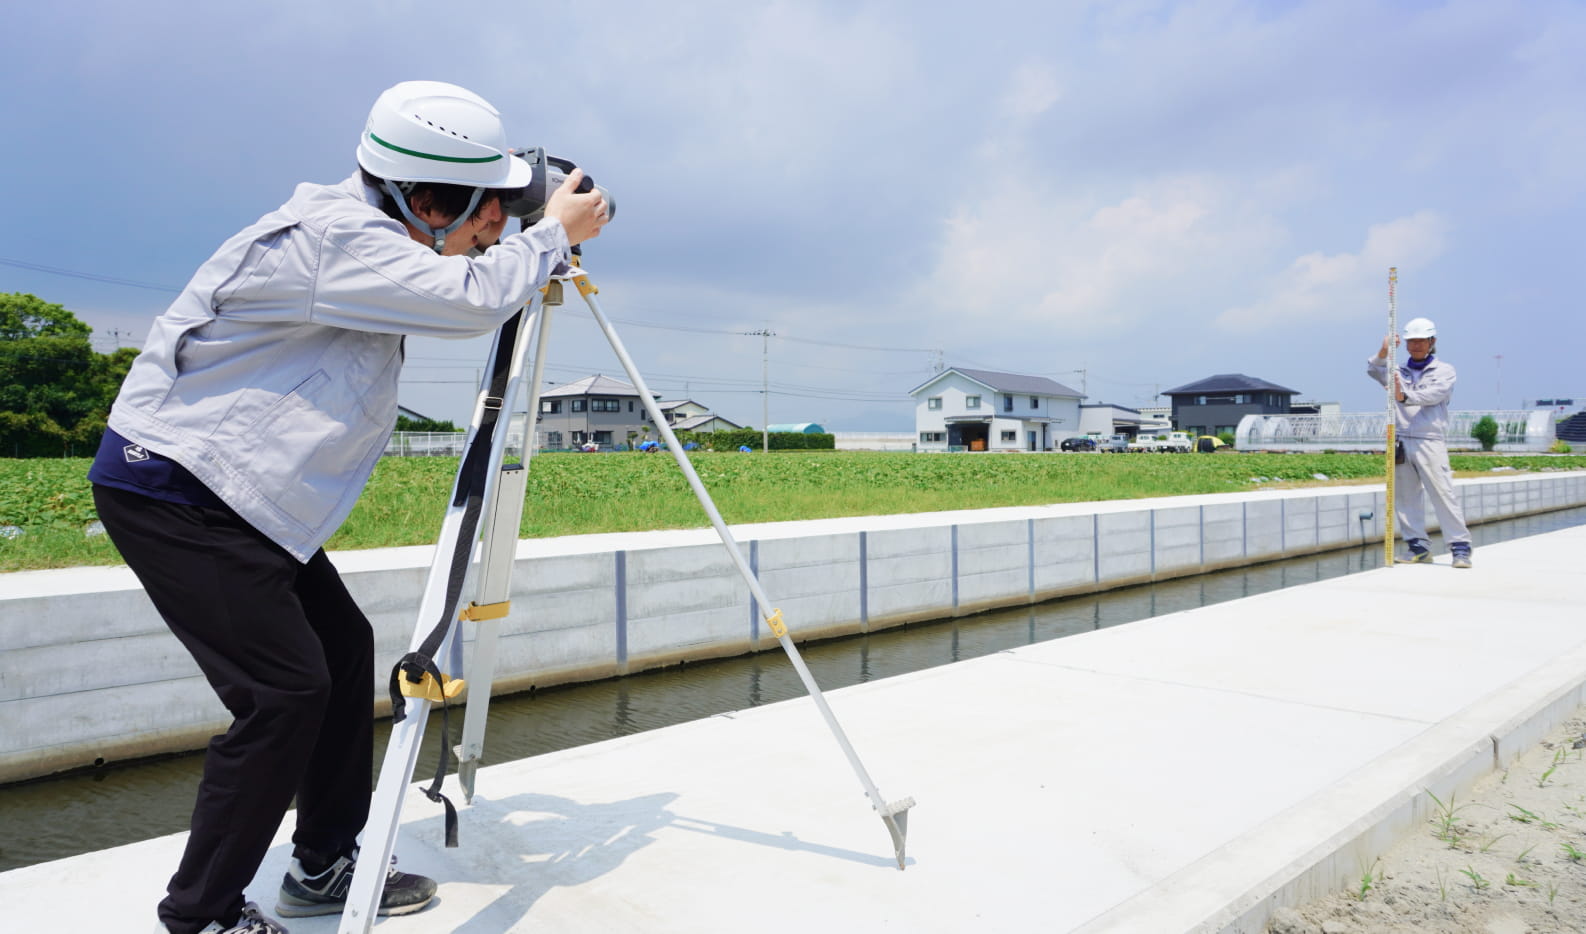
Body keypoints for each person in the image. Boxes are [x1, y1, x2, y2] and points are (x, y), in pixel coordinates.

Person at [88, 81, 608, 934]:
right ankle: (202, 913)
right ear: (424, 196)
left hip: (239, 496)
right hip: (180, 490)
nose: (492, 230)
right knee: (284, 692)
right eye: (487, 211)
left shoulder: (369, 237)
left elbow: (465, 284)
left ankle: (324, 863)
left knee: (342, 648)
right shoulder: (341, 239)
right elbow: (471, 301)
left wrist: (538, 241)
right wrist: (552, 235)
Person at [1366, 316, 1472, 568]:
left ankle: (1460, 548)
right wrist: (1383, 350)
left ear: (1432, 341)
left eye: (1421, 341)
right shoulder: (1397, 369)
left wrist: (1404, 396)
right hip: (1401, 439)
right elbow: (1373, 370)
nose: (1415, 346)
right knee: (1405, 497)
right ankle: (1418, 547)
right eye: (1411, 341)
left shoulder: (1444, 370)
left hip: (1429, 439)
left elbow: (1434, 394)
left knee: (1443, 493)